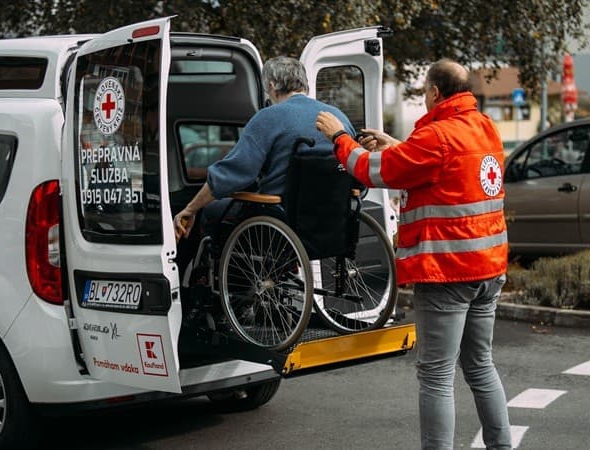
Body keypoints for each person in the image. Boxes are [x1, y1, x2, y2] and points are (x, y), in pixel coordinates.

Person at [315, 59, 511, 450]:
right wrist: (397, 145)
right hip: (488, 269)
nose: (423, 97)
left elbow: (371, 171)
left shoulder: (437, 136)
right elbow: (443, 169)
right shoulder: (484, 128)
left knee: (436, 375)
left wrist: (339, 137)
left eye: (424, 91)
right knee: (480, 366)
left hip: (448, 272)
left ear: (435, 93)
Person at [173, 56, 355, 241]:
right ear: (303, 83)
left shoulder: (268, 117)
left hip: (279, 215)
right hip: (331, 215)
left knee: (212, 210)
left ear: (272, 85)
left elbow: (234, 172)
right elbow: (354, 163)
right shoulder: (338, 117)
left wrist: (190, 208)